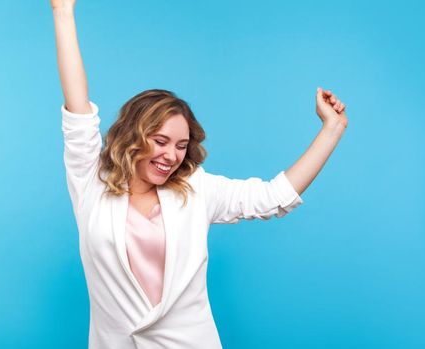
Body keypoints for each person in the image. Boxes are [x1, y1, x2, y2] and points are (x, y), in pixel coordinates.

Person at [51, 1, 348, 348]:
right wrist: (63, 11)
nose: (171, 156)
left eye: (180, 145)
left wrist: (333, 128)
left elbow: (274, 197)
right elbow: (78, 110)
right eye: (160, 141)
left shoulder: (196, 189)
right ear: (132, 135)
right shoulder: (91, 182)